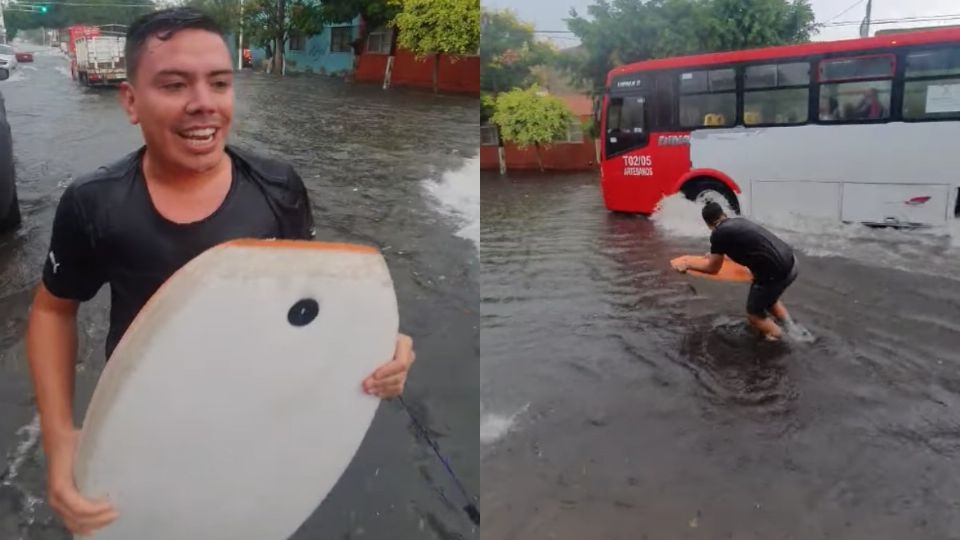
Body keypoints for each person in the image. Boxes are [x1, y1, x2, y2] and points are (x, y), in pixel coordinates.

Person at [24, 8, 416, 536]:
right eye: (173, 84)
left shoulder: (277, 188)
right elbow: (53, 310)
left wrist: (379, 347)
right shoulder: (96, 204)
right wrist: (59, 436)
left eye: (219, 82)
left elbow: (312, 302)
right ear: (131, 102)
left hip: (257, 415)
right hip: (144, 418)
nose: (203, 103)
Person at [673, 202, 798, 341]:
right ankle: (793, 329)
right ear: (723, 214)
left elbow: (713, 269)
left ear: (708, 224)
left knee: (754, 315)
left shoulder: (718, 234)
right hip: (792, 263)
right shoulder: (739, 221)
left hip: (775, 272)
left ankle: (782, 339)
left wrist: (688, 265)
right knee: (769, 300)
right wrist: (718, 254)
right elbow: (750, 244)